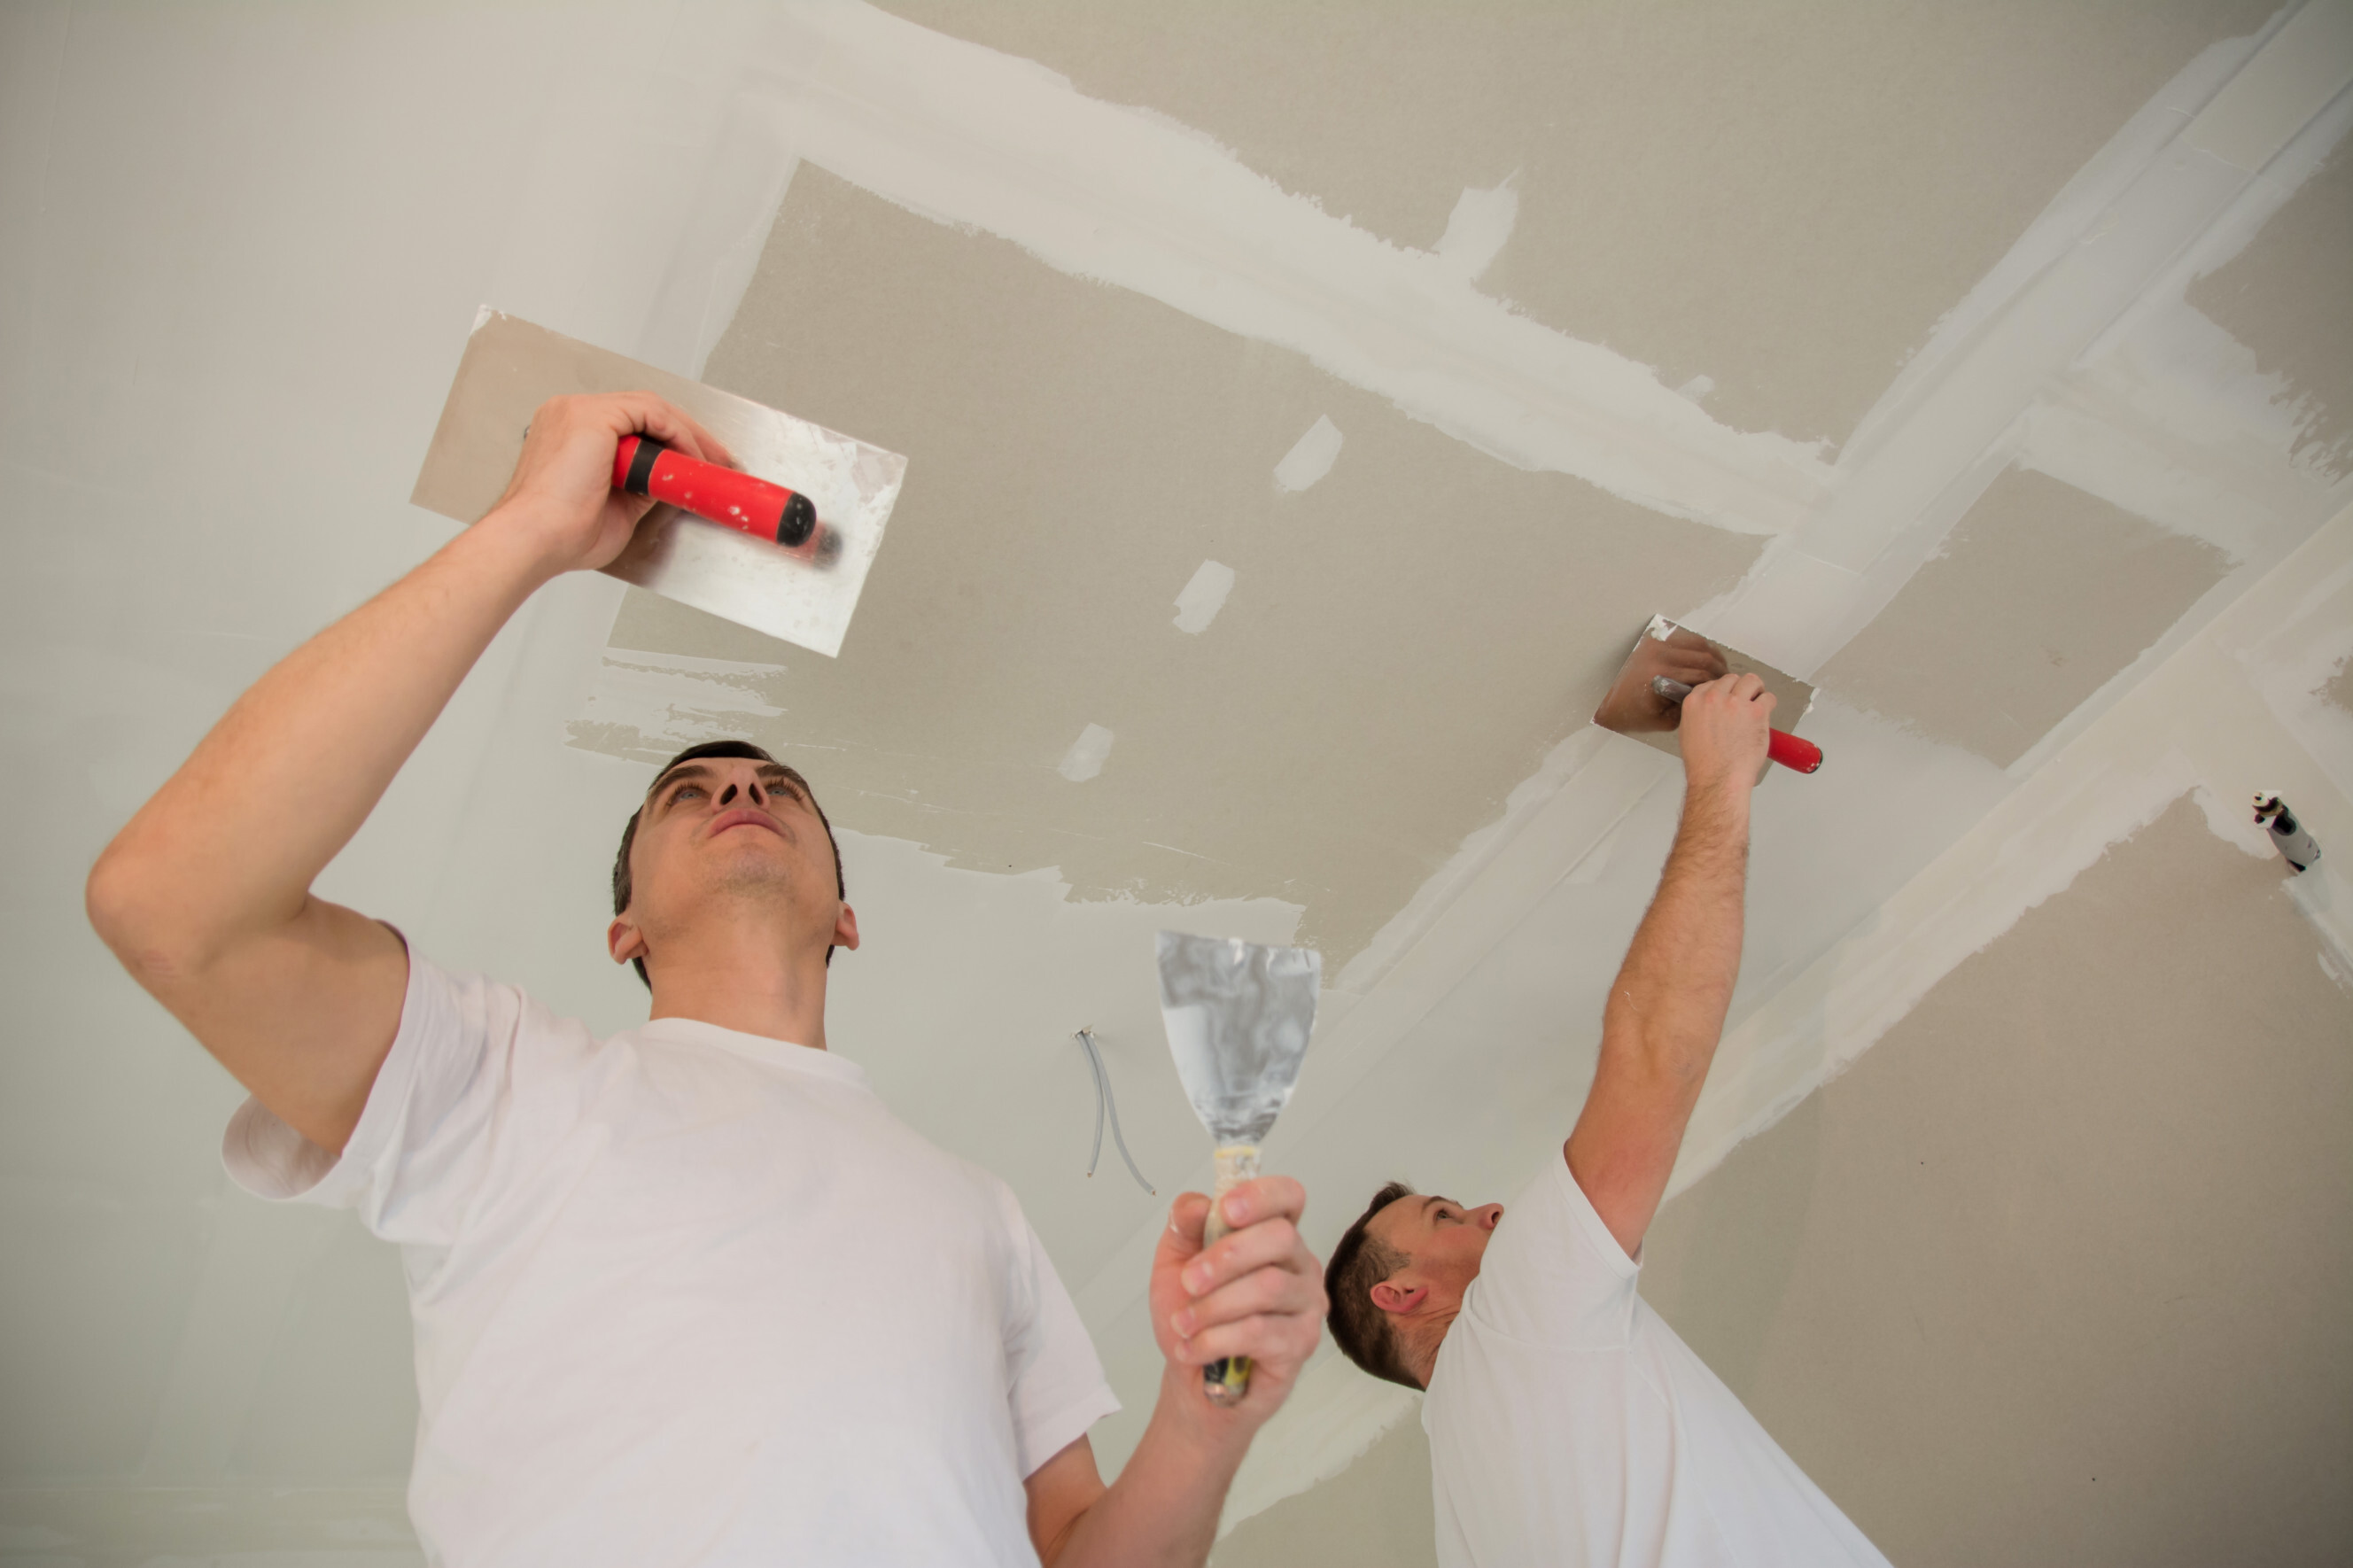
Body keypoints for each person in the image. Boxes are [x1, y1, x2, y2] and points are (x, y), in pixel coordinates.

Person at [86, 392, 1326, 1566]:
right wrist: (531, 529)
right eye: (690, 792)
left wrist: (1205, 1422)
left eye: (776, 786)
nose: (740, 787)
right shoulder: (499, 1080)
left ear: (849, 911)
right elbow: (174, 909)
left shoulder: (980, 1209)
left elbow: (1075, 1548)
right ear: (622, 926)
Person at [1322, 672, 1890, 1566]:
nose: (1491, 1214)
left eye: (1456, 1207)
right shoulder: (1504, 1327)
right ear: (1401, 1297)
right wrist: (1719, 781)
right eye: (1449, 1218)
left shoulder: (1467, 1512)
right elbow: (1653, 1053)